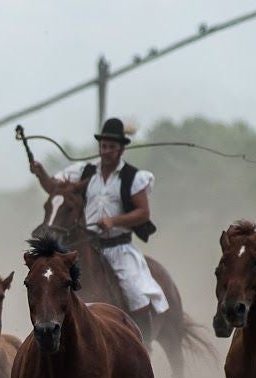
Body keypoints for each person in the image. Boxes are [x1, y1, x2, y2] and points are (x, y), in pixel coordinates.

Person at [29, 117, 170, 321]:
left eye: (111, 146)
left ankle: (142, 338)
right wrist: (41, 173)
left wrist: (114, 221)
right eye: (103, 146)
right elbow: (54, 188)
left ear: (122, 149)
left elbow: (143, 213)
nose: (106, 151)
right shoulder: (84, 171)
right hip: (88, 245)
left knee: (136, 293)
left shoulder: (133, 177)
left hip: (119, 248)